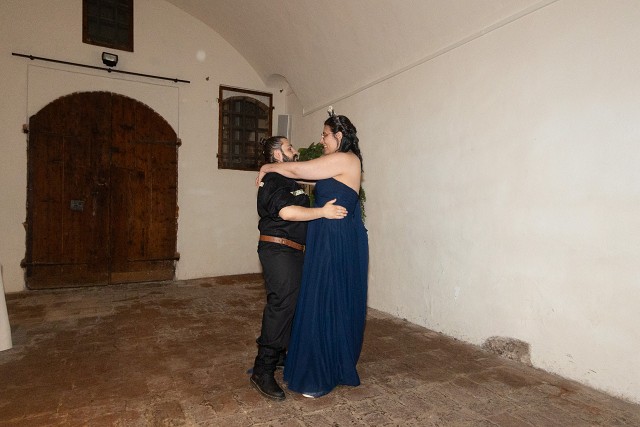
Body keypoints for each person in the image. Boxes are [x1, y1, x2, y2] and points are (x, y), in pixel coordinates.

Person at [256, 109, 368, 398]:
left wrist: (267, 167)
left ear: (339, 136)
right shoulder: (338, 164)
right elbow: (302, 180)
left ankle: (322, 368)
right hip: (325, 236)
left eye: (325, 135)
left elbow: (297, 170)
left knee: (327, 299)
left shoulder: (345, 158)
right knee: (317, 298)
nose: (321, 140)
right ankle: (309, 360)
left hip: (335, 238)